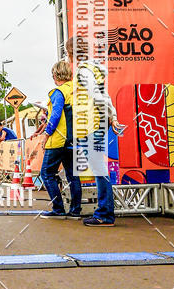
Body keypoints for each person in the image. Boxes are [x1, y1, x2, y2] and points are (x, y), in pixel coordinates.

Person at [67, 36, 121, 226]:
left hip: (92, 125)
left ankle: (105, 214)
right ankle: (105, 212)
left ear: (71, 53)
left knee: (99, 169)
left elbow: (99, 97)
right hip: (95, 124)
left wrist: (110, 116)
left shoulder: (83, 71)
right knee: (100, 169)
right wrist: (112, 116)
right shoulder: (93, 69)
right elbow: (104, 95)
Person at [28, 59, 81, 218]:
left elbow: (56, 115)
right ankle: (75, 210)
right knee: (73, 175)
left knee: (46, 173)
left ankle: (58, 209)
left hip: (58, 139)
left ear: (56, 75)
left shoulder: (58, 92)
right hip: (74, 140)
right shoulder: (77, 90)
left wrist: (47, 134)